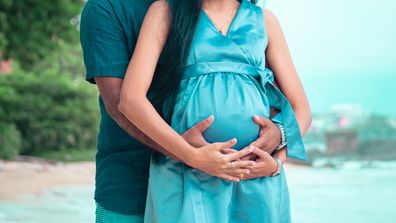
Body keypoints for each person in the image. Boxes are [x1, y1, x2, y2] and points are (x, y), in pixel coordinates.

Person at [80, 0, 288, 222]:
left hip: (231, 184)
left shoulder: (240, 16)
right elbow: (119, 103)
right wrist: (189, 155)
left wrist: (279, 141)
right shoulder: (109, 7)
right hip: (131, 186)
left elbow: (268, 96)